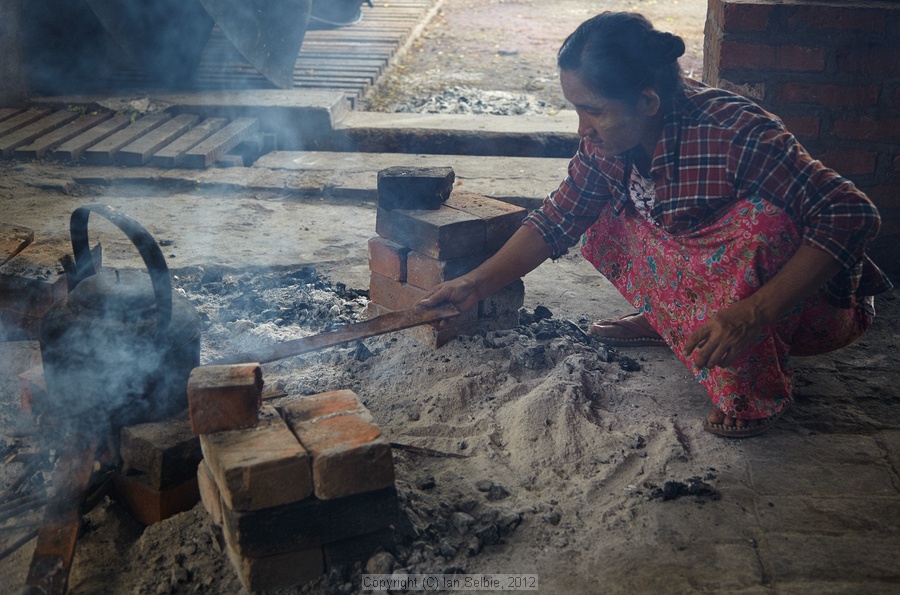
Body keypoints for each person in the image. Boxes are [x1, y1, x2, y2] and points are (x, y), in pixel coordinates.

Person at [419, 11, 892, 438]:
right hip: (718, 280)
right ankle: (674, 321)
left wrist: (751, 314)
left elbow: (851, 214)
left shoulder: (736, 132)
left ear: (647, 101)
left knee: (760, 229)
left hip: (814, 310)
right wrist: (474, 284)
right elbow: (557, 218)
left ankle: (750, 392)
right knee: (600, 214)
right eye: (577, 109)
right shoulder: (607, 145)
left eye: (593, 110)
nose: (582, 128)